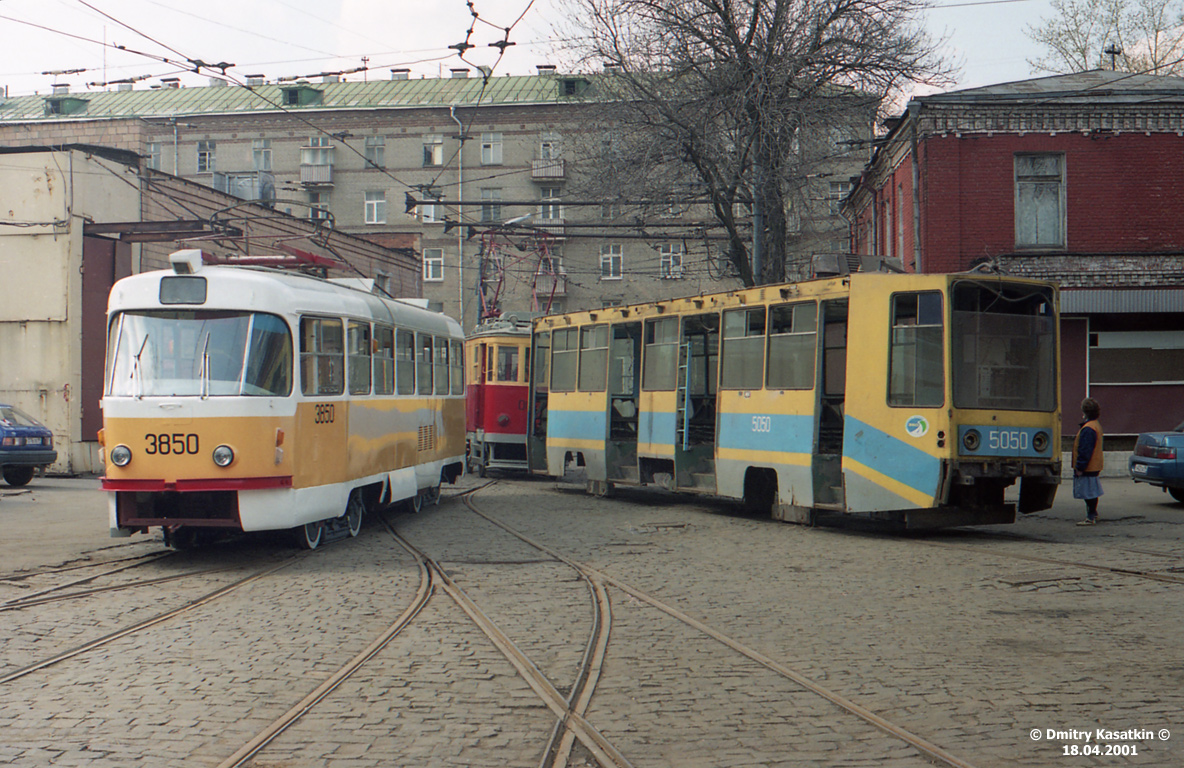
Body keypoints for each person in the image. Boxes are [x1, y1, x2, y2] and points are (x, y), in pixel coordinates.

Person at [1072, 398, 1104, 525]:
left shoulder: (1088, 428)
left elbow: (1085, 449)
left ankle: (1091, 516)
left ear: (1085, 412)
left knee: (1088, 492)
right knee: (1091, 491)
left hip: (1088, 466)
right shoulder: (1096, 425)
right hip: (1094, 464)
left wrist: (1080, 467)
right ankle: (1093, 514)